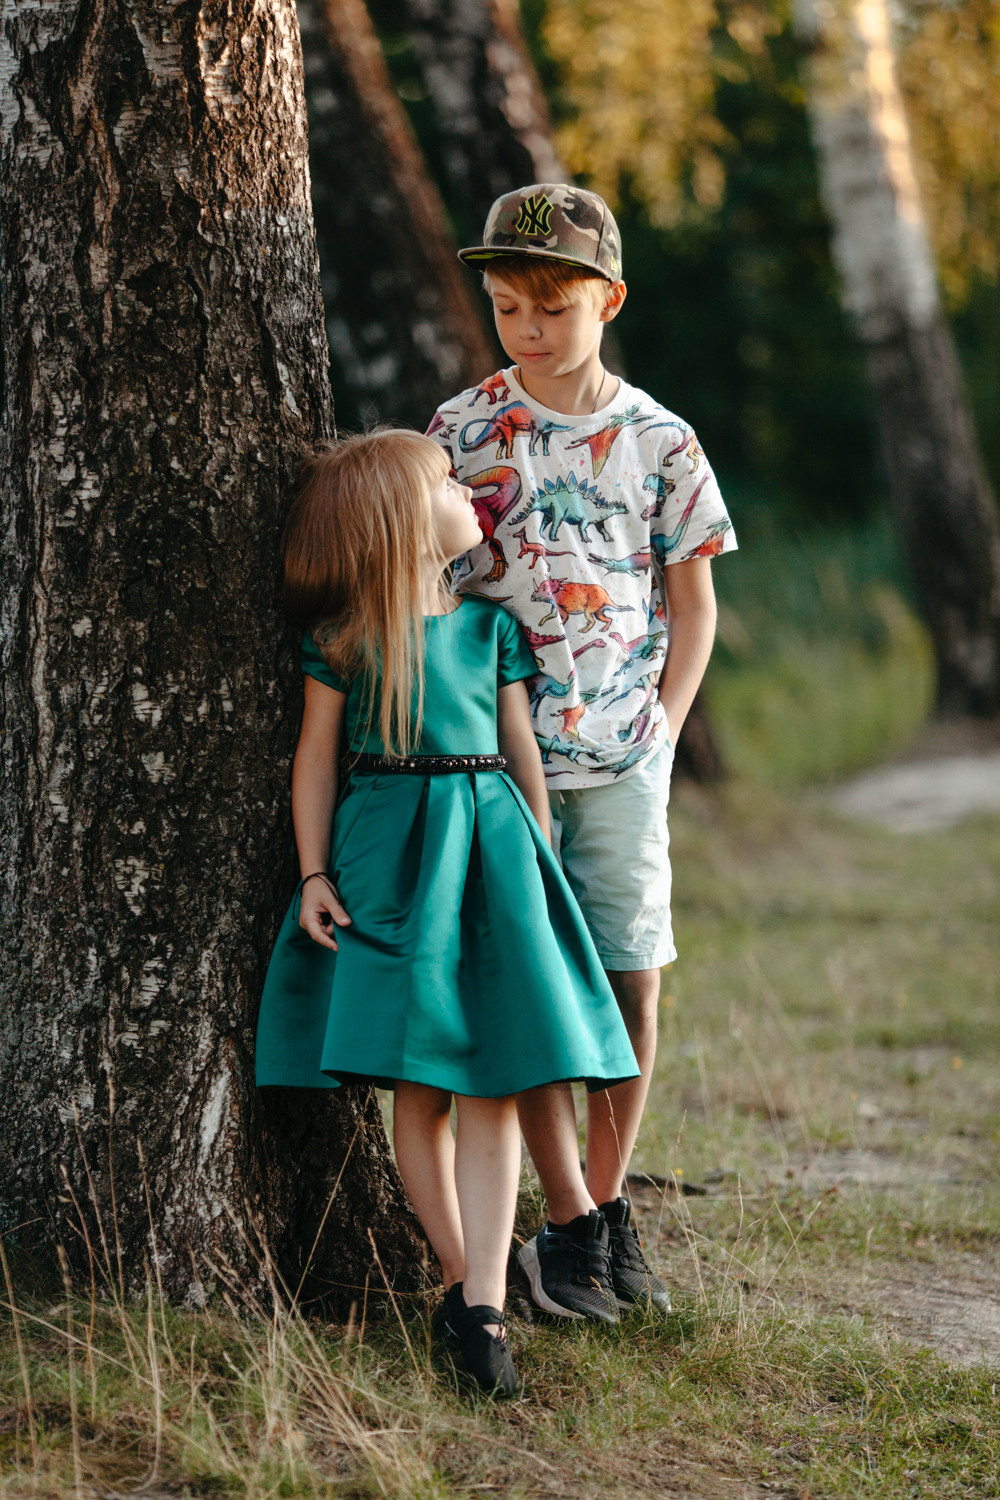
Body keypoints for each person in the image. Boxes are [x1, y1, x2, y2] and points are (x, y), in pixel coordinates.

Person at [254, 429, 639, 1397]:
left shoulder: (487, 629)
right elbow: (314, 760)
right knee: (417, 1088)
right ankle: (465, 1281)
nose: (467, 490)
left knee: (492, 1080)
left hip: (492, 851)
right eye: (445, 482)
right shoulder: (343, 640)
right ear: (397, 521)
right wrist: (311, 874)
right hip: (388, 858)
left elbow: (519, 757)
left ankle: (481, 1302)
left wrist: (538, 868)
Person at [426, 184, 737, 1324]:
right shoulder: (459, 432)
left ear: (608, 298)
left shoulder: (661, 440)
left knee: (629, 975)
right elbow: (433, 586)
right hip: (496, 767)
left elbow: (691, 599)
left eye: (552, 307)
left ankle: (604, 1209)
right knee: (531, 986)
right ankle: (560, 1223)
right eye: (507, 307)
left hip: (620, 753)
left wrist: (664, 712)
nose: (528, 330)